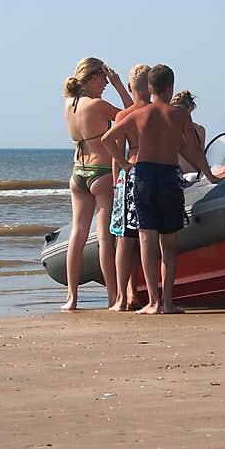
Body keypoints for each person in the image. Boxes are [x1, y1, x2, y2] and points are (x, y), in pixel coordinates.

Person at [102, 64, 221, 315]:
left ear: (149, 88)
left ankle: (152, 303)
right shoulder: (180, 115)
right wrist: (210, 174)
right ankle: (167, 302)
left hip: (144, 176)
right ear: (171, 88)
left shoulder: (139, 114)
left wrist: (124, 165)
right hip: (168, 177)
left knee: (146, 240)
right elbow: (191, 151)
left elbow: (106, 140)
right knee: (168, 243)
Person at [62, 56, 132, 311]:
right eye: (102, 79)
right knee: (104, 237)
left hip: (77, 173)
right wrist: (119, 85)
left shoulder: (69, 104)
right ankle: (113, 297)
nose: (104, 83)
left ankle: (72, 297)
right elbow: (132, 113)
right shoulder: (98, 105)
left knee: (77, 235)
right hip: (101, 173)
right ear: (92, 78)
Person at [108, 64, 151, 312]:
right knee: (150, 236)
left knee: (124, 238)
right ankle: (152, 295)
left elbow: (116, 154)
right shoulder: (158, 112)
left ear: (130, 87)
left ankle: (122, 298)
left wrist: (117, 181)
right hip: (156, 169)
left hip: (131, 169)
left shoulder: (124, 116)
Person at [169, 90, 206, 175]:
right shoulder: (199, 130)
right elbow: (201, 155)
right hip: (195, 175)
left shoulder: (199, 130)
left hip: (183, 176)